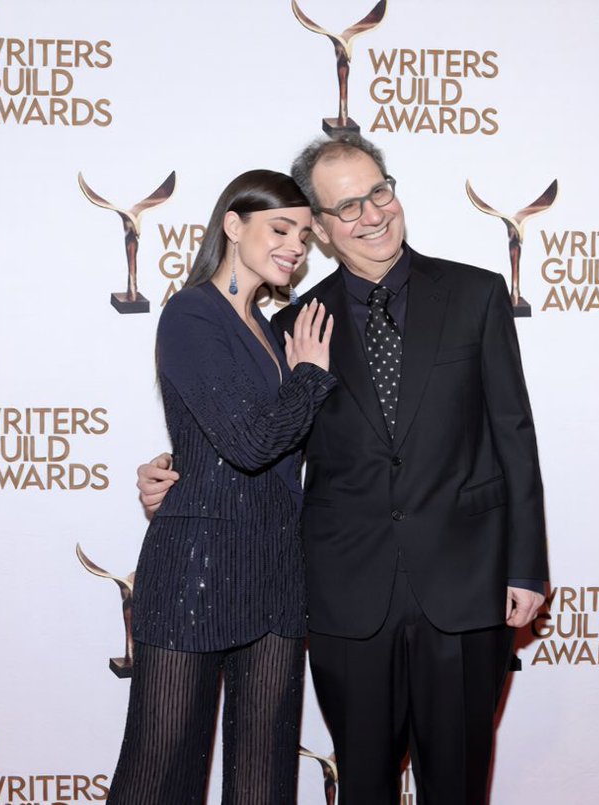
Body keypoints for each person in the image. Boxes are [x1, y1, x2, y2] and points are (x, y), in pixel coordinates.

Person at [138, 134, 549, 805]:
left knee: (460, 786)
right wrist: (175, 474)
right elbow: (262, 446)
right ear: (322, 231)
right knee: (363, 787)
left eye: (378, 192)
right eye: (346, 206)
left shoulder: (477, 294)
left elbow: (514, 433)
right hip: (345, 598)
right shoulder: (296, 323)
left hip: (467, 585)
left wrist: (526, 566)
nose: (371, 214)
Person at [109, 169, 337, 804]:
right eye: (279, 228)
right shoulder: (191, 314)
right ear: (234, 227)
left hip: (276, 574)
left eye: (303, 233)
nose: (295, 244)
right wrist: (310, 379)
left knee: (264, 783)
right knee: (159, 778)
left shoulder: (272, 329)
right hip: (196, 571)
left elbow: (266, 445)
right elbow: (250, 443)